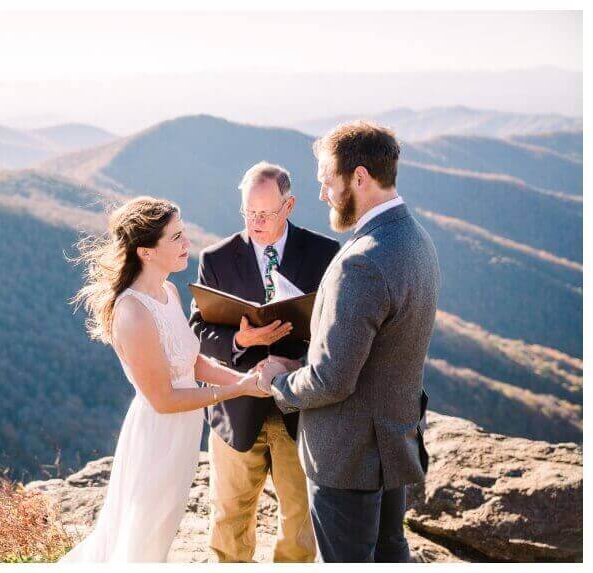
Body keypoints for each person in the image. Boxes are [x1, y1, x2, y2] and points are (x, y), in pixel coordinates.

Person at [251, 121, 440, 563]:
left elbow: (331, 380)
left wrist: (277, 382)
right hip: (392, 446)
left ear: (359, 177)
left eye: (327, 182)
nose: (323, 195)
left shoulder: (363, 261)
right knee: (390, 554)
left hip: (348, 457)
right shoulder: (415, 239)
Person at [63, 196, 266, 562]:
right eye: (175, 238)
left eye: (183, 233)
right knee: (143, 539)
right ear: (146, 251)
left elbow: (193, 361)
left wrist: (246, 378)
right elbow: (164, 399)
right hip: (158, 437)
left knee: (161, 530)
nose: (187, 244)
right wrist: (234, 390)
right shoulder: (133, 312)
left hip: (183, 433)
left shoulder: (168, 292)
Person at [189, 162, 339, 562]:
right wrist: (241, 339)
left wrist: (297, 360)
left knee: (301, 523)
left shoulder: (325, 254)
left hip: (301, 408)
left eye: (266, 213)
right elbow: (197, 333)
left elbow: (339, 332)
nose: (255, 222)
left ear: (288, 206)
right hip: (237, 407)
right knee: (229, 519)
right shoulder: (217, 258)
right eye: (248, 212)